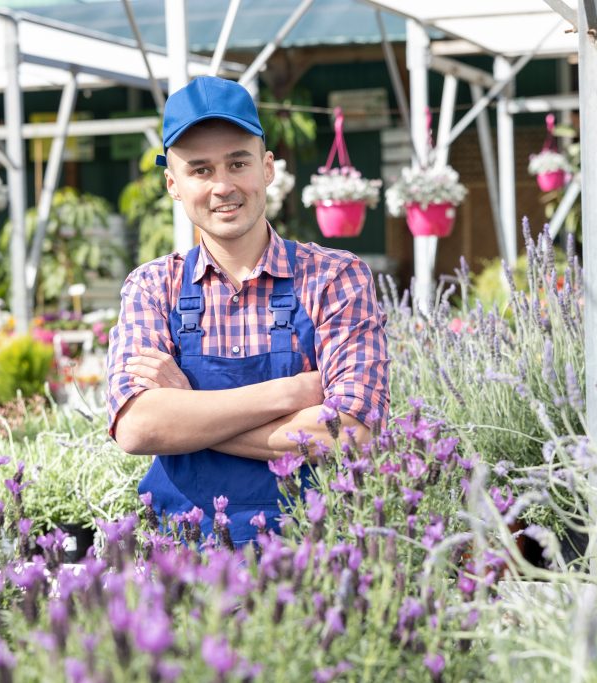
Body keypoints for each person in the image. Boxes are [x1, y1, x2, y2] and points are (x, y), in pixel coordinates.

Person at [106, 76, 389, 546]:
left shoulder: (335, 278)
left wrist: (188, 414)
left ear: (267, 167)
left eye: (238, 162)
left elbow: (352, 434)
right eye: (200, 170)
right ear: (173, 184)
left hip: (315, 562)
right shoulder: (154, 286)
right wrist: (291, 393)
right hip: (183, 566)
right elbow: (137, 427)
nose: (223, 186)